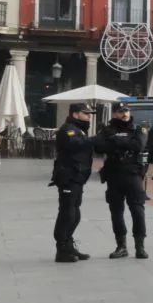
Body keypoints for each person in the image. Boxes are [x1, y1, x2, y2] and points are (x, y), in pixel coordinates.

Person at [96, 102, 149, 259]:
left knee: (137, 210)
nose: (124, 113)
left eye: (126, 110)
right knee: (116, 212)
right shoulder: (107, 129)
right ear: (115, 114)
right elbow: (98, 146)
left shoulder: (138, 129)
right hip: (113, 175)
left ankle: (140, 246)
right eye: (120, 111)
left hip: (133, 174)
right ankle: (121, 246)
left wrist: (115, 141)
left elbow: (139, 145)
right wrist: (123, 143)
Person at [49, 102, 95, 263]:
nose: (89, 116)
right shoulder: (68, 129)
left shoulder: (80, 129)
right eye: (86, 113)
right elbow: (76, 144)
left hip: (77, 178)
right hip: (68, 177)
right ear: (75, 114)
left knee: (74, 213)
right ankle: (62, 249)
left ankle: (69, 245)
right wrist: (94, 140)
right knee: (67, 213)